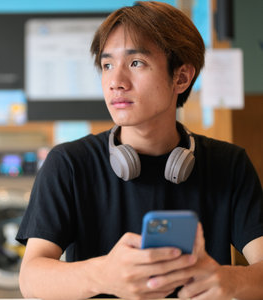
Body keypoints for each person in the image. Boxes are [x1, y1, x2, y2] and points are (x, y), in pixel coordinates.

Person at [15, 1, 263, 299]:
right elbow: (31, 279)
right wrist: (102, 275)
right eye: (107, 65)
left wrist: (228, 280)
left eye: (136, 63)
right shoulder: (68, 163)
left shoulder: (230, 164)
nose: (116, 82)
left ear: (181, 77)